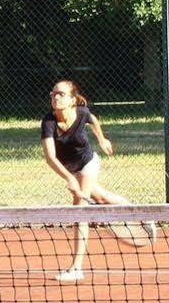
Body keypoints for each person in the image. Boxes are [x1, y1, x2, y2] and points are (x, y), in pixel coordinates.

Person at [40, 79, 127, 282]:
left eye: (60, 94)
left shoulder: (81, 112)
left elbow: (93, 120)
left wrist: (102, 139)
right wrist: (70, 178)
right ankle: (131, 208)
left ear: (72, 100)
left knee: (80, 209)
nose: (55, 97)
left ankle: (77, 268)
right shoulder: (48, 122)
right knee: (101, 198)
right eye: (53, 94)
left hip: (88, 163)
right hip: (71, 169)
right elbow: (50, 158)